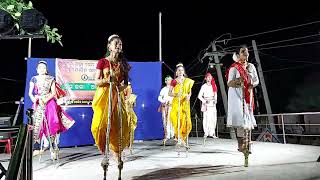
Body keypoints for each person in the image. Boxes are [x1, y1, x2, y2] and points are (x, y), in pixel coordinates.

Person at [91, 34, 131, 177]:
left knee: (118, 126)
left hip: (116, 97)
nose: (119, 45)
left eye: (120, 44)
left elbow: (125, 84)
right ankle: (104, 150)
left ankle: (117, 155)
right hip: (103, 97)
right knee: (99, 126)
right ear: (109, 46)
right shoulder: (102, 62)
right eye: (116, 43)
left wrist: (117, 89)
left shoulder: (124, 65)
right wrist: (108, 79)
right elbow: (96, 81)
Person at [28, 61, 75, 160]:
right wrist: (34, 99)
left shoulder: (51, 79)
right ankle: (37, 147)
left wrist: (45, 99)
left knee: (51, 124)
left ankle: (53, 147)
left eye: (43, 67)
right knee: (37, 124)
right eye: (40, 67)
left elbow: (53, 93)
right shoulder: (34, 79)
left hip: (49, 103)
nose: (41, 69)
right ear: (37, 69)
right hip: (38, 103)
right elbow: (30, 93)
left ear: (46, 70)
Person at [226, 46, 259, 154]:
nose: (246, 53)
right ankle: (241, 145)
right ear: (238, 54)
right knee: (241, 122)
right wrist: (238, 81)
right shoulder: (234, 67)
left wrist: (251, 84)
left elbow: (256, 80)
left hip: (248, 95)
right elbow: (229, 83)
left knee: (248, 120)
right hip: (237, 96)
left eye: (247, 52)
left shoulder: (251, 66)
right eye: (242, 51)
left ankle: (247, 144)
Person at [169, 63, 194, 148]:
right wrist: (176, 94)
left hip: (185, 103)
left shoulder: (188, 81)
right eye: (178, 70)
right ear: (176, 72)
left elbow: (190, 92)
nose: (180, 72)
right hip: (177, 103)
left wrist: (188, 96)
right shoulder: (174, 81)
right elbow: (169, 93)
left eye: (182, 70)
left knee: (186, 122)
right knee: (177, 121)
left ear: (184, 72)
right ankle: (180, 139)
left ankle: (182, 139)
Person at [198, 73, 218, 143]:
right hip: (206, 103)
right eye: (208, 77)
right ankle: (206, 132)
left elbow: (215, 94)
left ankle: (212, 133)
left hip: (212, 103)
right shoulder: (204, 86)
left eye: (210, 77)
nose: (209, 78)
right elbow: (199, 96)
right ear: (205, 78)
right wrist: (204, 101)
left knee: (213, 118)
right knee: (206, 118)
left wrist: (215, 100)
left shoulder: (214, 85)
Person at [158, 75, 174, 144]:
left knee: (172, 120)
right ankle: (167, 135)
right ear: (166, 81)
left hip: (172, 106)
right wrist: (163, 102)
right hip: (165, 107)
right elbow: (159, 98)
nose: (169, 81)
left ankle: (173, 135)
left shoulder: (174, 89)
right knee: (165, 120)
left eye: (170, 80)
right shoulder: (163, 89)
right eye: (168, 80)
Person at [124, 82, 137, 154]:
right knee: (124, 130)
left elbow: (134, 105)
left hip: (131, 114)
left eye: (130, 86)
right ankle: (123, 145)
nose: (129, 88)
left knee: (131, 130)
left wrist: (130, 103)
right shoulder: (122, 96)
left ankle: (130, 146)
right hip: (124, 114)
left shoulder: (133, 96)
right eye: (128, 86)